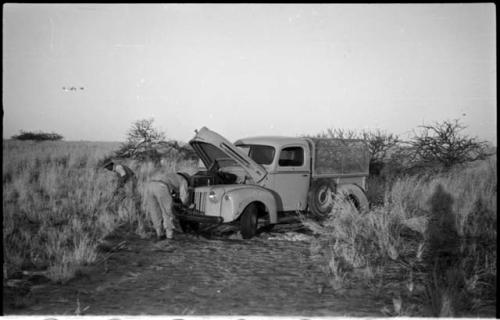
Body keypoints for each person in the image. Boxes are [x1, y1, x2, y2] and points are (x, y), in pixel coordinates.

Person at [144, 171, 190, 240]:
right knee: (168, 213)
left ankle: (159, 234)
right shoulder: (183, 180)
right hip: (161, 186)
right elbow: (184, 198)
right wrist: (187, 206)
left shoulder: (172, 175)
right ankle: (169, 236)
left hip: (149, 185)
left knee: (155, 212)